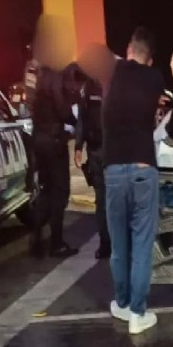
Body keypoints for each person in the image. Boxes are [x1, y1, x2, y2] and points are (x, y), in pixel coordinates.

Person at [83, 28, 167, 335]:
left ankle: (121, 303)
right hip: (144, 167)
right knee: (142, 245)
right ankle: (138, 313)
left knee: (119, 246)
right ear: (150, 58)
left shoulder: (112, 71)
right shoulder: (155, 77)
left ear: (128, 50)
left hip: (114, 170)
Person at [30, 64, 78, 258]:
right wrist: (73, 120)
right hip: (54, 140)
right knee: (60, 191)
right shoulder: (55, 75)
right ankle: (56, 243)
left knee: (45, 190)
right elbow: (62, 106)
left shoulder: (38, 75)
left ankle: (36, 237)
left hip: (39, 139)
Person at [74, 74, 109, 260]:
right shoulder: (88, 89)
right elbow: (82, 119)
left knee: (108, 200)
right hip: (100, 151)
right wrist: (78, 147)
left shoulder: (110, 85)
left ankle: (110, 244)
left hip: (108, 150)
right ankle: (106, 243)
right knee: (103, 200)